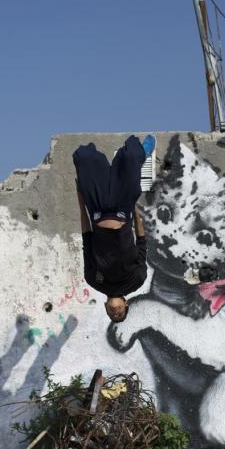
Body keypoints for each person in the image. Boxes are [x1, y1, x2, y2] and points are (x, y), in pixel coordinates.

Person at [73, 135, 155, 322]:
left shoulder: (93, 280)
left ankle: (133, 158)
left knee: (84, 157)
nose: (115, 312)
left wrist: (81, 200)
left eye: (112, 315)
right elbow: (142, 242)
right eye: (120, 313)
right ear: (126, 304)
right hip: (122, 207)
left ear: (105, 307)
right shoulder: (137, 280)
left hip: (96, 207)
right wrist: (135, 210)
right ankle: (142, 153)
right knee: (131, 156)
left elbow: (87, 238)